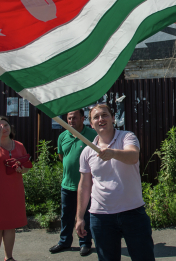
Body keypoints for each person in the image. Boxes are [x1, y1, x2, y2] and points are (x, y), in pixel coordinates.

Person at [76, 104, 155, 261]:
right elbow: (84, 186)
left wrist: (112, 153)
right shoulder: (87, 151)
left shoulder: (127, 137)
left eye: (104, 115)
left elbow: (133, 156)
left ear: (113, 118)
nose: (101, 119)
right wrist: (79, 217)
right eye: (96, 117)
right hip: (101, 217)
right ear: (91, 124)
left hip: (133, 213)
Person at [0, 116, 30, 261]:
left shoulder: (19, 145)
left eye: (6, 125)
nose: (4, 129)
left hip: (14, 191)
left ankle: (9, 258)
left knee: (10, 226)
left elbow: (27, 167)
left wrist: (22, 169)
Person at [50, 109, 97, 256]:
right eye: (69, 118)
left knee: (85, 216)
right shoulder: (63, 136)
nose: (71, 121)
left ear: (83, 118)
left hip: (86, 185)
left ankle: (85, 243)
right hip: (67, 185)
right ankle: (64, 242)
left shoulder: (92, 135)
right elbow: (61, 156)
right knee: (66, 215)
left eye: (74, 118)